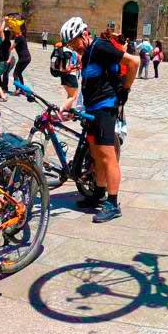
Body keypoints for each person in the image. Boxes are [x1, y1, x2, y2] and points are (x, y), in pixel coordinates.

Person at [60, 17, 139, 223]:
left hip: (105, 107)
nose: (74, 47)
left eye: (74, 42)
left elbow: (134, 62)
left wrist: (125, 90)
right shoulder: (87, 53)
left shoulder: (101, 47)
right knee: (96, 155)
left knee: (107, 156)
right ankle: (99, 193)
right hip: (92, 109)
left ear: (84, 34)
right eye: (71, 45)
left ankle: (113, 203)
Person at [11, 28, 31, 93]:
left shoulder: (18, 37)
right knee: (19, 73)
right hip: (27, 58)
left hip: (23, 58)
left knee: (15, 74)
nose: (12, 32)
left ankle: (17, 89)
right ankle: (22, 89)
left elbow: (11, 47)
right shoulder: (22, 37)